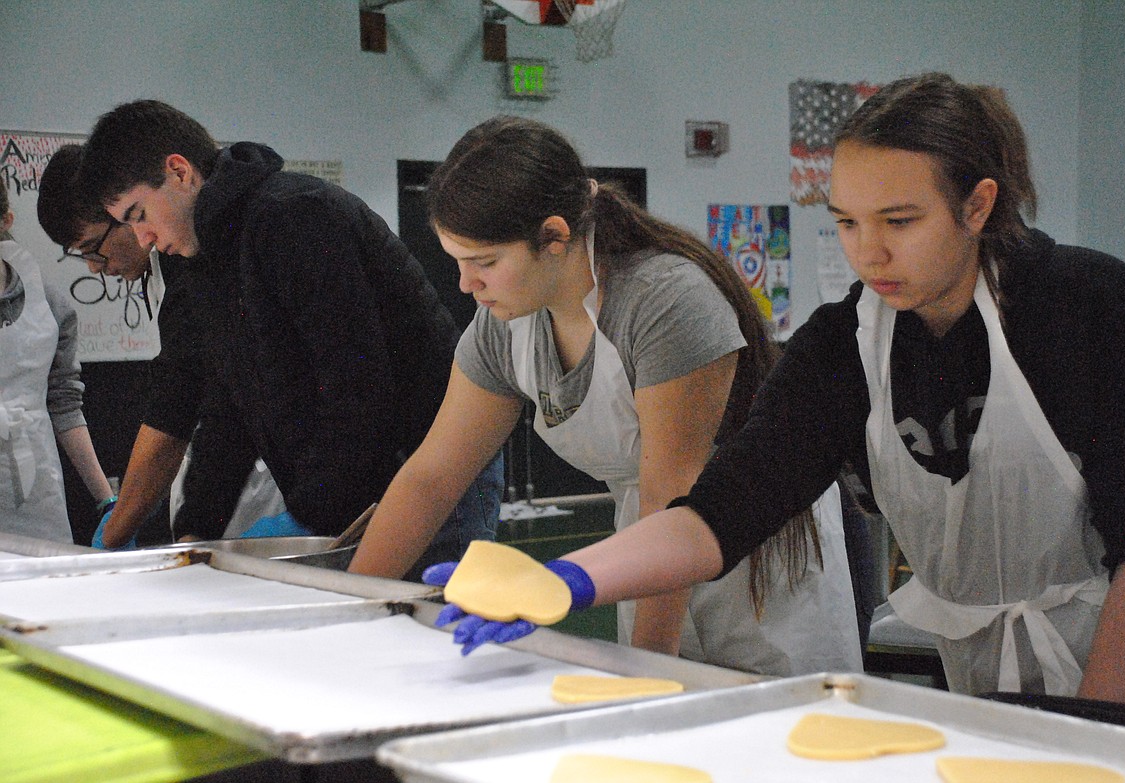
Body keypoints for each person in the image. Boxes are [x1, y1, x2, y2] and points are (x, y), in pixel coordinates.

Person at [428, 73, 1125, 709]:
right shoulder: (845, 347)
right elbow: (717, 514)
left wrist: (1092, 733)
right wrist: (569, 580)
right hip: (982, 677)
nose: (867, 251)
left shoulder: (1087, 305)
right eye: (846, 221)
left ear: (977, 206)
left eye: (899, 221)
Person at [349, 116, 864, 676]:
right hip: (641, 551)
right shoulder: (502, 326)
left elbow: (674, 491)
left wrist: (644, 671)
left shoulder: (662, 300)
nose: (465, 285)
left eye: (485, 263)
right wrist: (346, 610)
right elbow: (432, 477)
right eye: (458, 262)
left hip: (758, 559)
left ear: (553, 237)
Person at [77, 100, 503, 578]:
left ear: (179, 172)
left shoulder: (296, 218)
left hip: (432, 464)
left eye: (140, 214)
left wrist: (313, 513)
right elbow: (227, 402)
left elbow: (358, 387)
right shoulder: (204, 259)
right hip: (358, 477)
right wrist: (198, 529)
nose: (143, 239)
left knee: (412, 627)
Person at [38, 144, 281, 549]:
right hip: (221, 476)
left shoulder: (200, 254)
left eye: (92, 248)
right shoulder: (164, 265)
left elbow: (177, 401)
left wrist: (119, 525)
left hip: (265, 482)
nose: (97, 267)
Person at [0, 182, 115, 543]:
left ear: (5, 221)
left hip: (34, 494)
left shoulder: (47, 300)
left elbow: (64, 402)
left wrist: (108, 501)